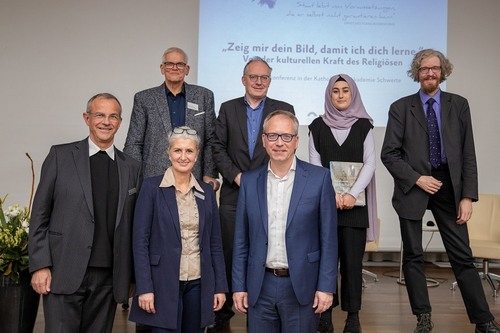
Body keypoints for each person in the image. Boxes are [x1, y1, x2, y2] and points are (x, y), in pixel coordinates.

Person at [381, 49, 500, 333]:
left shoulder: (459, 105)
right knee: (413, 255)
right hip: (414, 185)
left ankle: (483, 321)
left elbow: (467, 153)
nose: (430, 73)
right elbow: (390, 154)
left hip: (450, 185)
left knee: (462, 256)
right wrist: (418, 179)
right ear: (416, 73)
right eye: (424, 69)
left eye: (435, 68)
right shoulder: (400, 108)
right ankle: (422, 317)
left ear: (443, 71)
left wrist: (467, 196)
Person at [29, 93, 142, 332]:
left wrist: (130, 276)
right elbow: (40, 214)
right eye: (99, 115)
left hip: (109, 278)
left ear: (120, 122)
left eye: (113, 116)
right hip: (63, 270)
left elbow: (134, 226)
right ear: (86, 118)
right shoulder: (60, 156)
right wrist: (40, 265)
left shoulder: (131, 167)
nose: (106, 121)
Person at [232, 110, 338, 333]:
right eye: (273, 136)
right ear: (264, 140)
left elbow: (329, 240)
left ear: (296, 141)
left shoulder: (319, 179)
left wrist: (326, 288)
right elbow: (241, 241)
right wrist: (239, 286)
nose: (279, 143)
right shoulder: (250, 182)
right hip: (260, 285)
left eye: (286, 136)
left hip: (302, 286)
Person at [211, 56, 295, 331]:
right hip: (235, 194)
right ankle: (223, 315)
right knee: (229, 251)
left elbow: (284, 150)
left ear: (269, 81)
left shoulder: (284, 109)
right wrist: (237, 176)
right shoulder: (228, 108)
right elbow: (217, 148)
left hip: (272, 192)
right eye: (254, 77)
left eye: (264, 77)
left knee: (264, 250)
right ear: (244, 79)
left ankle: (259, 312)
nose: (259, 81)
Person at [129, 126, 227, 333]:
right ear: (168, 153)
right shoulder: (151, 188)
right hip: (161, 282)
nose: (183, 156)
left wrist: (219, 287)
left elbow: (215, 244)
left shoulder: (206, 192)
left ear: (197, 154)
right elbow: (140, 243)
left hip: (198, 284)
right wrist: (144, 287)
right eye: (178, 150)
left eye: (189, 151)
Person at [309, 74, 377, 333]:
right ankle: (325, 315)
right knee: (326, 263)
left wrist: (351, 194)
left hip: (354, 209)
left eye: (345, 91)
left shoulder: (364, 126)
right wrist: (331, 196)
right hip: (325, 208)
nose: (340, 95)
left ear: (353, 94)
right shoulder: (316, 126)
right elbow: (314, 165)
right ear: (329, 95)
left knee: (352, 265)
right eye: (335, 91)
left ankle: (353, 317)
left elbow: (370, 163)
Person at [124, 46, 219, 190]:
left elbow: (211, 140)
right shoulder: (144, 99)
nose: (175, 68)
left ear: (187, 69)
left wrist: (209, 173)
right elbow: (134, 143)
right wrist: (135, 179)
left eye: (180, 64)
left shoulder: (204, 96)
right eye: (169, 64)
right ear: (162, 68)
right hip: (153, 178)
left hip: (194, 177)